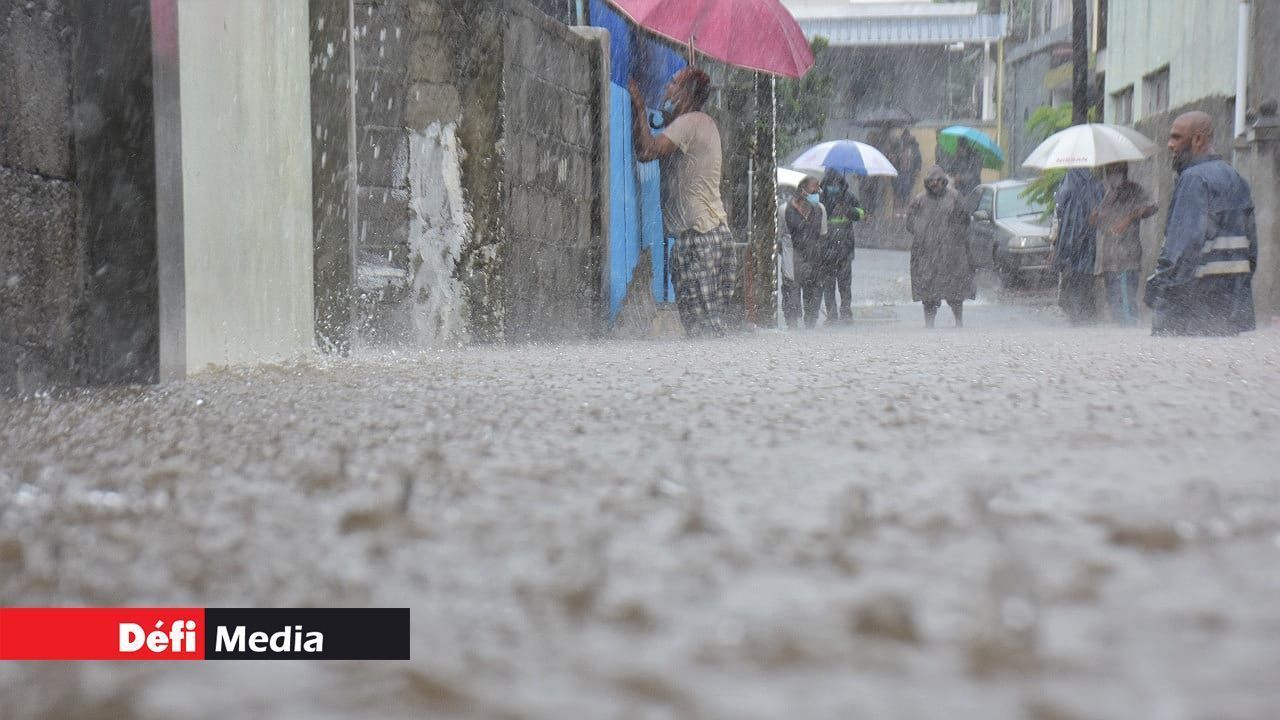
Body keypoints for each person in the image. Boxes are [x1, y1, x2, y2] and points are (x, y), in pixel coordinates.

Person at [629, 68, 734, 337]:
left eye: (673, 83)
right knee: (712, 326)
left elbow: (646, 151)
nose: (666, 87)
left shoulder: (689, 124)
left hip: (698, 238)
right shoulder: (704, 123)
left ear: (686, 93)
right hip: (716, 234)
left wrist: (640, 107)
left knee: (701, 330)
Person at [1145, 111, 1257, 336]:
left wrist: (1159, 290)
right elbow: (1252, 253)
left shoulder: (1193, 179)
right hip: (1231, 313)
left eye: (1176, 137)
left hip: (1190, 312)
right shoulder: (1236, 179)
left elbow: (1183, 250)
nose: (1169, 145)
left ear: (1198, 140)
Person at [1090, 163, 1157, 326]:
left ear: (1124, 170)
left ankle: (1132, 342)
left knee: (1127, 310)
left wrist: (1130, 217)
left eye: (1117, 170)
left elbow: (1152, 207)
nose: (1113, 174)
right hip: (1108, 261)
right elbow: (1102, 224)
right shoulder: (1105, 194)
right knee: (1115, 308)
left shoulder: (1135, 190)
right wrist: (1095, 220)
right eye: (1110, 171)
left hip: (1126, 259)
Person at [908, 166, 975, 328]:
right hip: (927, 254)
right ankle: (929, 325)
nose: (935, 184)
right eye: (931, 181)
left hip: (951, 253)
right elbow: (910, 224)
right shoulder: (919, 201)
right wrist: (924, 234)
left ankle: (959, 322)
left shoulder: (954, 197)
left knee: (955, 291)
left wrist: (956, 237)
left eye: (938, 180)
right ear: (927, 182)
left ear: (943, 181)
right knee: (928, 293)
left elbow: (965, 219)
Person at [1051, 168, 1106, 325]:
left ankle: (1077, 319)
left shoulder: (1068, 182)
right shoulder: (1094, 184)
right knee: (1085, 283)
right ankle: (1087, 319)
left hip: (1070, 243)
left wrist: (1055, 244)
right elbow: (1101, 208)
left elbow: (1059, 210)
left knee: (1072, 282)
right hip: (1088, 243)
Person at [819, 169, 866, 323]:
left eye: (836, 183)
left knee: (845, 284)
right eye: (830, 183)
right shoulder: (821, 199)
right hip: (826, 249)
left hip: (845, 249)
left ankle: (846, 312)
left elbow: (861, 214)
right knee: (829, 285)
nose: (833, 186)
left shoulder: (849, 198)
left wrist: (848, 210)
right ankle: (831, 315)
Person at [784, 177, 828, 328]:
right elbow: (782, 237)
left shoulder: (820, 209)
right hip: (793, 257)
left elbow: (823, 235)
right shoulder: (785, 209)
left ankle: (810, 323)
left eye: (818, 189)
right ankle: (792, 325)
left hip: (813, 258)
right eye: (814, 189)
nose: (818, 192)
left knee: (814, 292)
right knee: (792, 292)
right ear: (802, 190)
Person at [893, 129, 922, 208]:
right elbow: (894, 160)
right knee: (899, 192)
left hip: (909, 173)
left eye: (907, 137)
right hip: (900, 172)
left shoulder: (914, 148)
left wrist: (918, 169)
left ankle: (906, 209)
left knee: (907, 191)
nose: (906, 139)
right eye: (904, 137)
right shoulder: (898, 148)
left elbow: (918, 159)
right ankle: (899, 210)